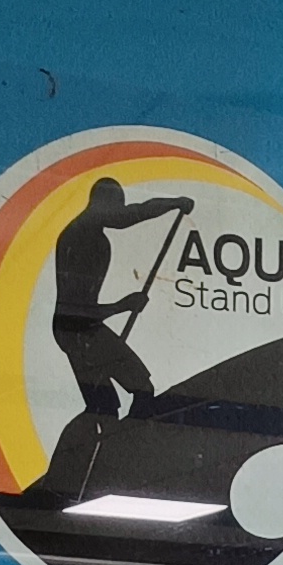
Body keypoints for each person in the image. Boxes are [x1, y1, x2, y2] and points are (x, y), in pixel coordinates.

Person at [49, 176, 189, 421]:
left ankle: (111, 436)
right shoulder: (79, 238)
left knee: (107, 404)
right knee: (135, 391)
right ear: (101, 203)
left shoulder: (95, 236)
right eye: (116, 208)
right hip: (77, 330)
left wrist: (173, 204)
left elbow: (134, 214)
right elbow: (74, 309)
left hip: (83, 327)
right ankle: (113, 439)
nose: (120, 215)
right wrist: (122, 306)